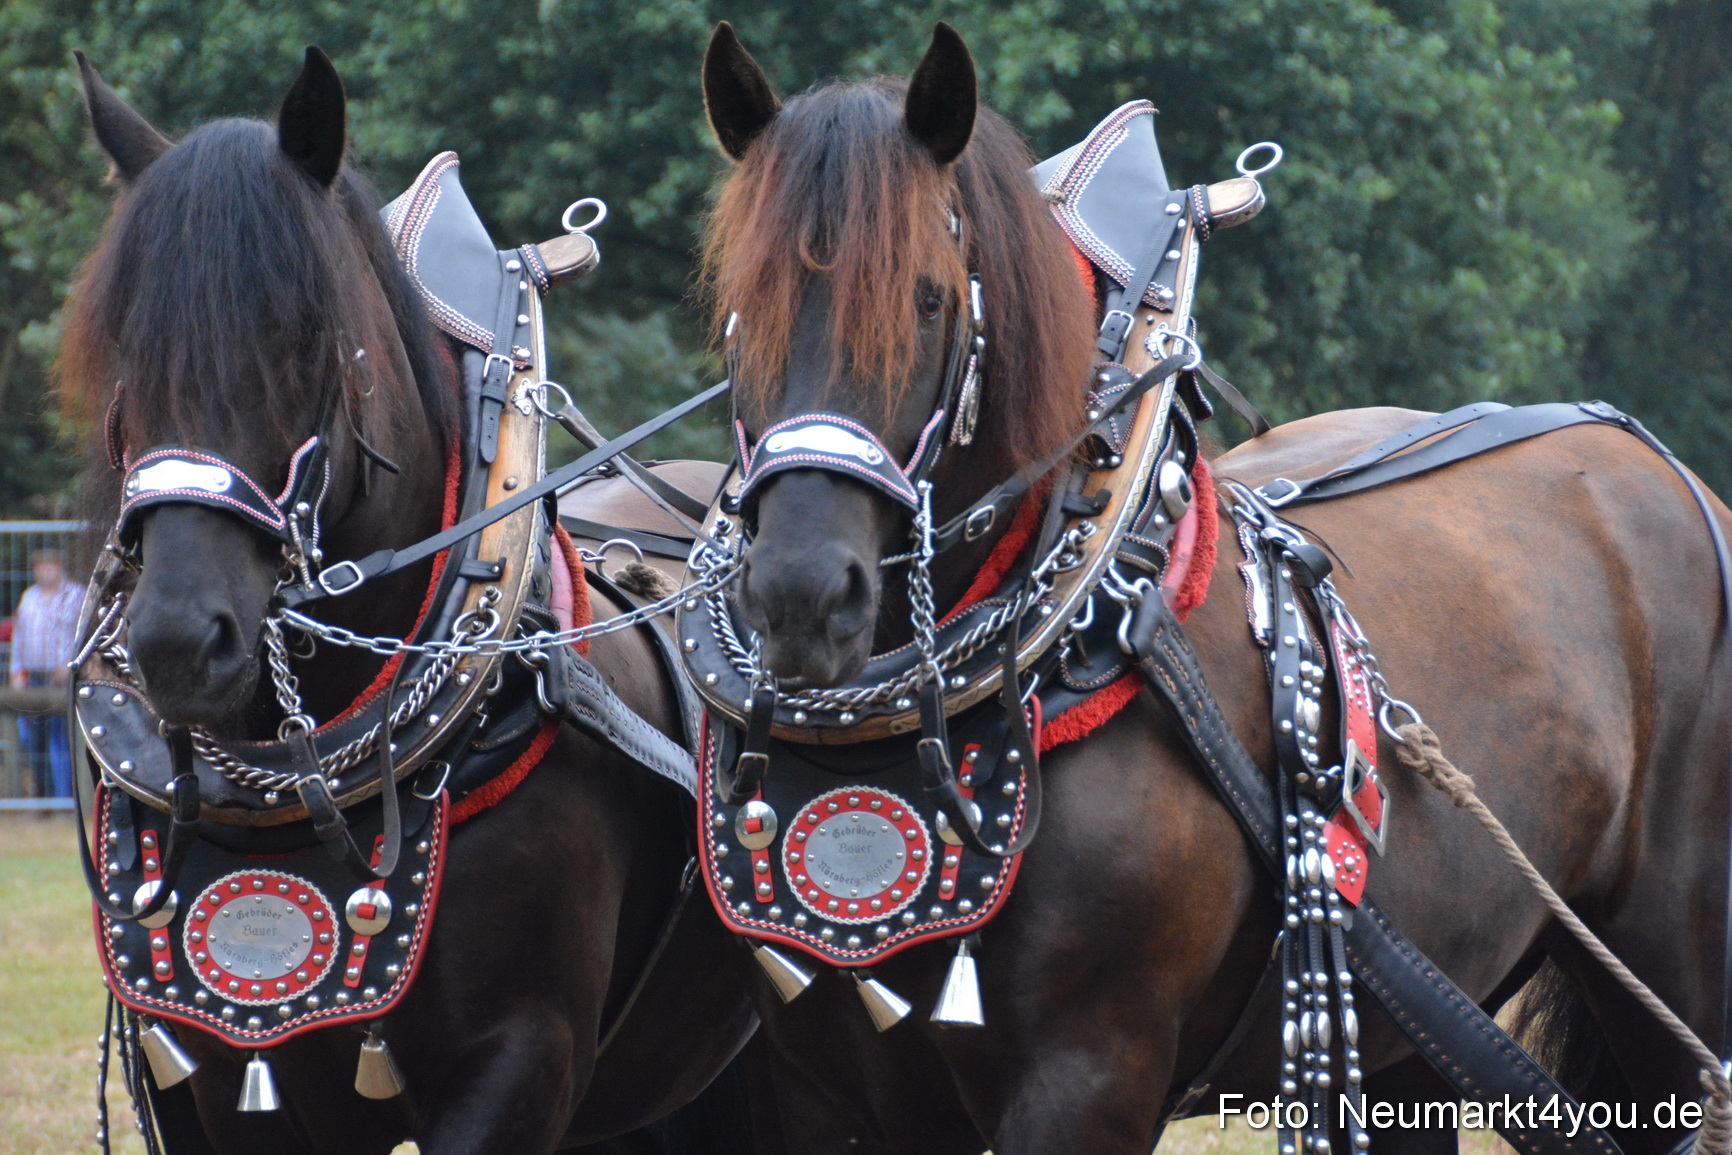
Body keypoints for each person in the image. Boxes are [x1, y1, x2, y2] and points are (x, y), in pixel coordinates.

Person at [10, 549, 81, 799]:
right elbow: (20, 637)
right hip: (34, 678)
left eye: (50, 565)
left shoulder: (75, 595)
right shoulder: (28, 597)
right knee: (33, 742)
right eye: (40, 566)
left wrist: (69, 665)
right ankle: (41, 800)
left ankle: (65, 800)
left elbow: (83, 635)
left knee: (61, 740)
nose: (45, 570)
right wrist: (17, 671)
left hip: (62, 677)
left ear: (60, 566)